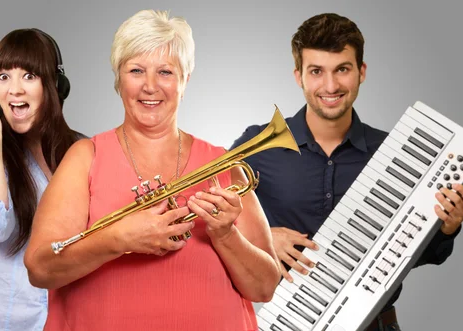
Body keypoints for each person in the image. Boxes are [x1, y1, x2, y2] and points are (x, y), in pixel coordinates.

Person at [23, 9, 280, 331]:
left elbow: (265, 288)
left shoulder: (223, 166)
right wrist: (119, 238)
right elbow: (40, 269)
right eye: (136, 70)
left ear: (185, 80)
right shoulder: (84, 157)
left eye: (165, 72)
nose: (150, 86)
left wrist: (226, 234)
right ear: (119, 79)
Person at [230, 13, 463, 331]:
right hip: (285, 323)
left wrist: (447, 227)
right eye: (316, 71)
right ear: (298, 76)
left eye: (342, 69)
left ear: (361, 72)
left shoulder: (394, 151)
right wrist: (257, 239)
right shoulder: (256, 145)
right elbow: (205, 223)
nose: (330, 86)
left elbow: (422, 254)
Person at [0, 28, 83, 331]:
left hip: (65, 320)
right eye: (4, 76)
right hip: (3, 323)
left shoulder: (80, 150)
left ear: (55, 85)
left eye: (29, 76)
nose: (15, 89)